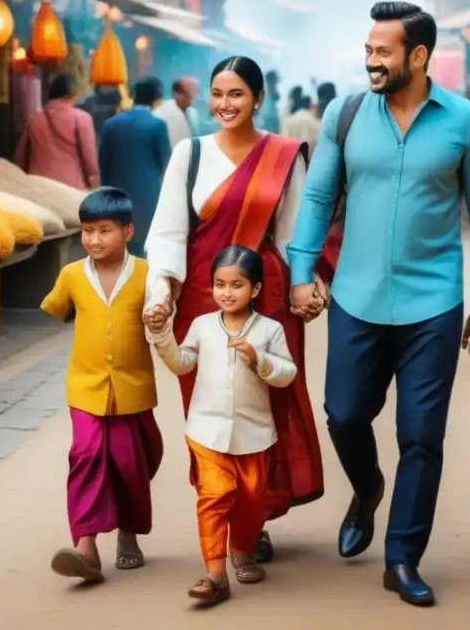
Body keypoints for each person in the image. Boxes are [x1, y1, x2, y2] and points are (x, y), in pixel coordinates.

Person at [287, 1, 470, 607]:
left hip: (433, 302)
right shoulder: (347, 114)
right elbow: (318, 195)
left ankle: (403, 558)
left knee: (421, 435)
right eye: (368, 50)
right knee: (345, 415)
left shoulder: (466, 123)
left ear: (419, 55)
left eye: (383, 51)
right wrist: (301, 270)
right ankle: (367, 485)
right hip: (355, 296)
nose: (371, 61)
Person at [143, 55, 325, 565]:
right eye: (217, 94)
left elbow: (293, 235)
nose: (225, 104)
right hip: (202, 300)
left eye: (237, 95)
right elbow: (169, 230)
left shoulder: (284, 156)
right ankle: (219, 507)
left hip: (265, 301)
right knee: (206, 411)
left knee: (261, 411)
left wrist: (303, 287)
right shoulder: (190, 153)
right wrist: (162, 293)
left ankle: (255, 517)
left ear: (258, 99)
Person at [146, 245, 296, 606]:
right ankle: (215, 573)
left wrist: (258, 359)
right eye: (219, 284)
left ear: (255, 289)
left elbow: (287, 374)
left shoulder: (270, 330)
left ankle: (242, 552)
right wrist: (162, 335)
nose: (227, 293)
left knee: (250, 501)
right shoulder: (201, 326)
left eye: (237, 285)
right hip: (205, 430)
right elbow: (182, 363)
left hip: (254, 433)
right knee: (213, 497)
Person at [41, 187, 162, 583]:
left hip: (133, 387)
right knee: (86, 456)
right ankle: (86, 547)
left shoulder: (147, 274)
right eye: (87, 231)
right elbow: (55, 307)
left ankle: (129, 534)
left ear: (128, 232)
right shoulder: (71, 275)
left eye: (104, 230)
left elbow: (164, 312)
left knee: (133, 462)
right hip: (86, 386)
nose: (93, 239)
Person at [99, 77, 173, 257]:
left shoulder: (111, 124)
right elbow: (166, 163)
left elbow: (103, 162)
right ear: (156, 98)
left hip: (115, 195)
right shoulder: (157, 125)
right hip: (148, 197)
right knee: (142, 248)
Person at [15, 72, 99, 190]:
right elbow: (89, 160)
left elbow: (21, 158)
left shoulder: (34, 119)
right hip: (71, 189)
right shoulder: (82, 119)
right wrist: (94, 183)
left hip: (38, 187)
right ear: (72, 94)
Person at [154, 77, 197, 150]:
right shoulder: (161, 114)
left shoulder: (193, 113)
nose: (193, 96)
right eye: (189, 93)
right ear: (176, 94)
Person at [257, 69, 282, 134]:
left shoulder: (271, 93)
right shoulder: (264, 94)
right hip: (267, 121)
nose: (275, 84)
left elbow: (277, 97)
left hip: (271, 121)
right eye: (274, 81)